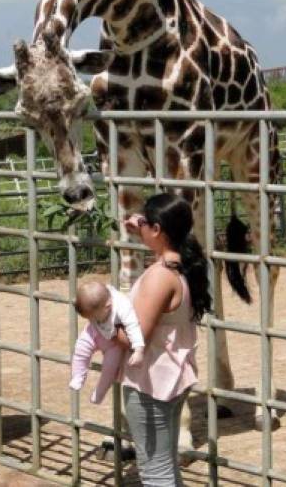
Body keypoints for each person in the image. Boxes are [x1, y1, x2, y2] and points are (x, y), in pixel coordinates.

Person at [117, 193, 212, 487]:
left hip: (151, 384)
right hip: (171, 379)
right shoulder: (180, 265)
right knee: (166, 466)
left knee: (155, 473)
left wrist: (101, 322)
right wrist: (142, 224)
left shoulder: (159, 276)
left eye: (145, 222)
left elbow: (134, 338)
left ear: (157, 230)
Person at [69, 280, 144, 404]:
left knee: (110, 367)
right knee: (80, 347)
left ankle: (100, 392)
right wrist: (94, 321)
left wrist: (139, 349)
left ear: (107, 307)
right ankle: (78, 376)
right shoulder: (100, 303)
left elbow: (133, 326)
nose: (91, 319)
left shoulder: (122, 305)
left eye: (93, 317)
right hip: (95, 330)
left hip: (113, 343)